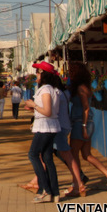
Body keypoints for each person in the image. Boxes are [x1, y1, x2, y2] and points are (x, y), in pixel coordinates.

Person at [69, 61, 107, 195]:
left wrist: (83, 126)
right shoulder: (86, 88)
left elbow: (86, 108)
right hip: (87, 123)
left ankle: (77, 184)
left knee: (73, 155)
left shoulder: (80, 88)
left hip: (81, 123)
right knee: (87, 155)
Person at [23, 61, 62, 203]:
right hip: (49, 126)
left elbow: (47, 111)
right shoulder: (52, 89)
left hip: (45, 127)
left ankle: (45, 189)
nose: (36, 76)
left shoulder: (45, 89)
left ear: (44, 75)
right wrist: (34, 108)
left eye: (38, 73)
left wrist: (34, 105)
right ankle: (54, 192)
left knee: (33, 154)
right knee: (47, 158)